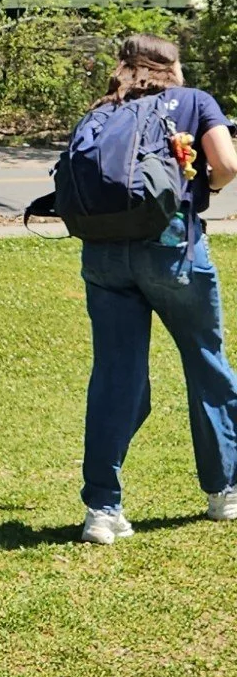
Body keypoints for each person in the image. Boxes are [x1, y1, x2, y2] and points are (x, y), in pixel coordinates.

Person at [74, 34, 237, 544]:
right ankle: (224, 491)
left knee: (115, 377)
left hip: (103, 255)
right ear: (173, 67)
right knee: (206, 364)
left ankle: (102, 509)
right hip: (172, 248)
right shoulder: (195, 102)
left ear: (124, 67)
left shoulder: (102, 109)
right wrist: (204, 187)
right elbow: (227, 165)